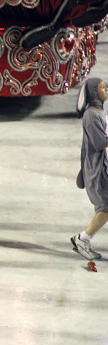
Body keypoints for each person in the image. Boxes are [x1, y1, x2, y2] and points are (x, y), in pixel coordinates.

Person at [71, 78, 108, 260]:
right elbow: (100, 142)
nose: (106, 89)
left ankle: (83, 239)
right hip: (96, 170)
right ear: (94, 92)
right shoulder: (91, 115)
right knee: (105, 207)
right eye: (102, 87)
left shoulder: (99, 112)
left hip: (102, 167)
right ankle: (82, 239)